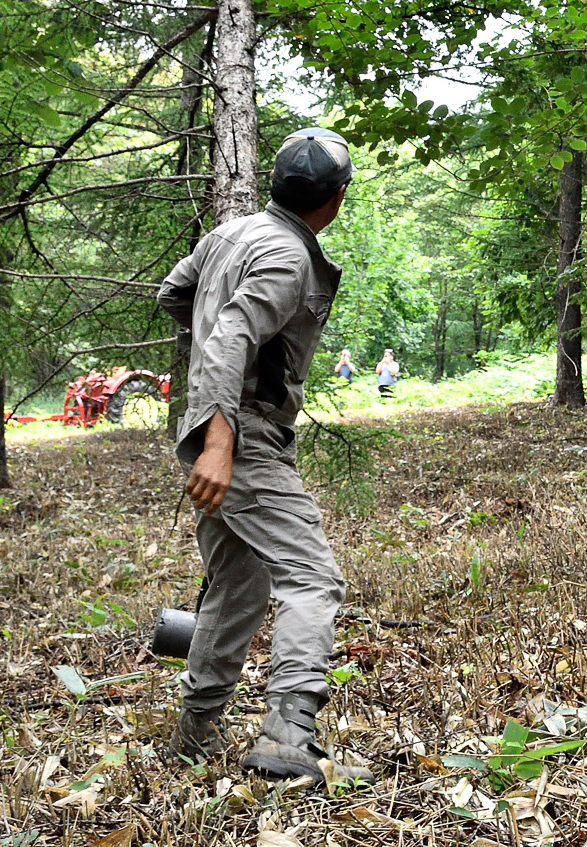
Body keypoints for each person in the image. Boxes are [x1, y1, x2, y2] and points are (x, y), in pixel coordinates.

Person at [156, 127, 371, 784]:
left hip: (220, 430)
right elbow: (228, 334)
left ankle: (195, 733)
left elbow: (175, 294)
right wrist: (223, 438)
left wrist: (215, 409)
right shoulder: (284, 257)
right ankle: (287, 736)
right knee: (312, 579)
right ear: (334, 200)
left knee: (238, 587)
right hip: (244, 441)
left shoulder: (231, 234)